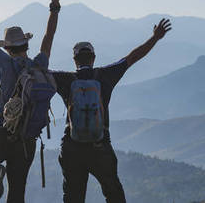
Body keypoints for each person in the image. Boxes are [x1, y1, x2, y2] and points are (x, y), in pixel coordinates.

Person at [53, 19, 172, 203]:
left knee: (73, 197)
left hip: (72, 147)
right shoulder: (105, 75)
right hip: (100, 146)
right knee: (114, 194)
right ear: (93, 58)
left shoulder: (65, 79)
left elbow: (37, 71)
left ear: (75, 60)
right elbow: (132, 57)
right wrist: (155, 38)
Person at [0, 0, 62, 202]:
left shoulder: (6, 64)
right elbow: (49, 37)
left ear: (8, 48)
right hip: (27, 139)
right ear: (26, 45)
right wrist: (54, 6)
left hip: (1, 131)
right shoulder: (39, 65)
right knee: (17, 193)